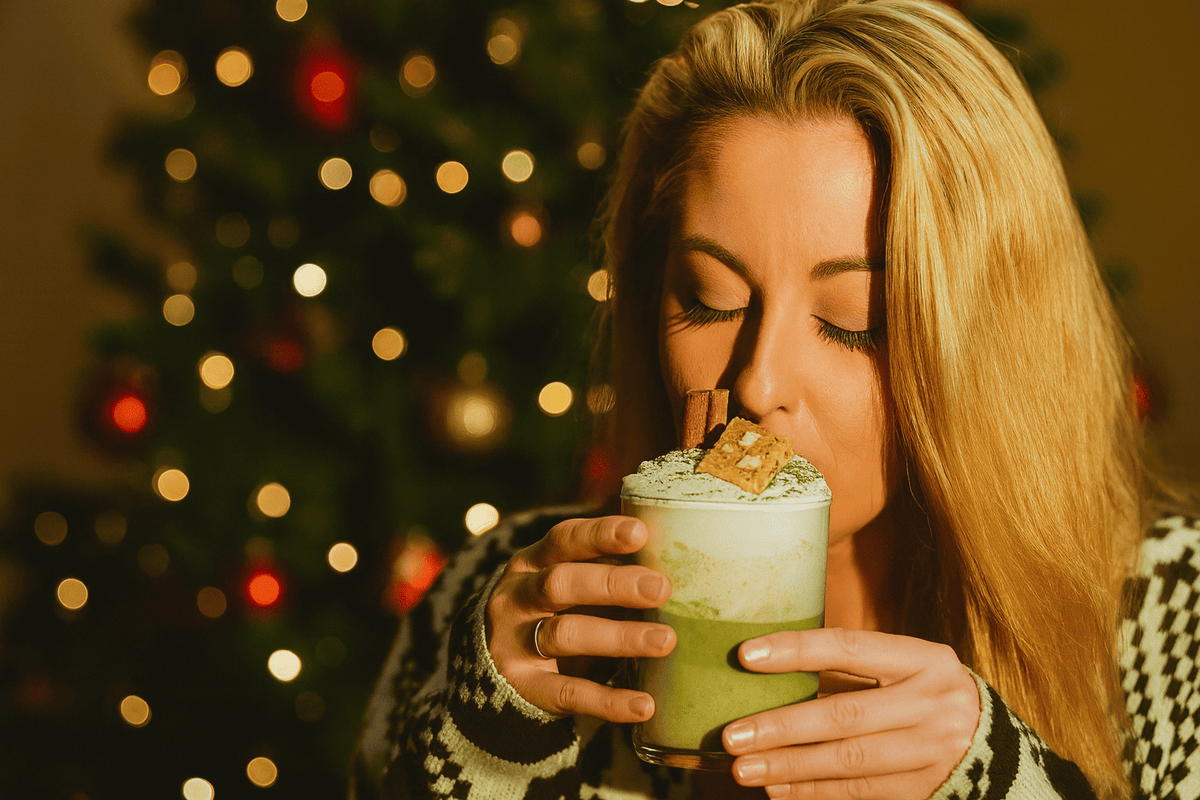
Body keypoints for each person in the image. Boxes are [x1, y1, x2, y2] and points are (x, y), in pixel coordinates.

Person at [351, 1, 1199, 798]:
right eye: (711, 298)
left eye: (854, 323)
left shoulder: (1176, 616)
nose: (756, 383)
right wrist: (486, 750)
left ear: (986, 345)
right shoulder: (503, 604)